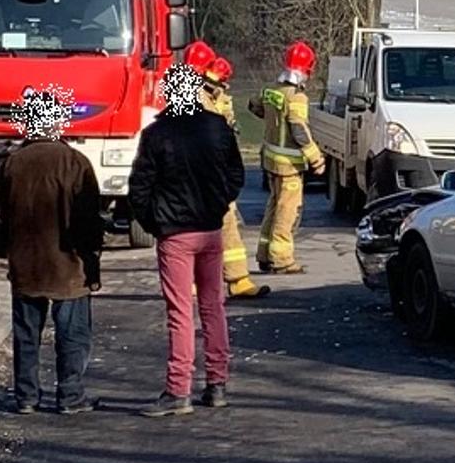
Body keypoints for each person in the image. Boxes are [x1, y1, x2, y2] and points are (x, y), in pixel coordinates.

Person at [130, 66, 246, 417]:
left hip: (175, 235)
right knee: (214, 307)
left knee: (181, 312)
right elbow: (236, 174)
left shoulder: (157, 134)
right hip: (210, 229)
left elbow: (139, 188)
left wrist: (156, 221)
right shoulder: (217, 128)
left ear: (168, 93)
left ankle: (178, 390)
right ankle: (217, 384)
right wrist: (219, 203)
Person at [0, 86, 103, 415]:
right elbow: (89, 219)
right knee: (72, 333)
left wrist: (9, 252)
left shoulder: (12, 163)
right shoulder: (75, 162)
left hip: (26, 264)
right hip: (69, 265)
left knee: (27, 333)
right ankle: (70, 396)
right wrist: (92, 262)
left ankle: (26, 396)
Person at [246, 42, 324, 275]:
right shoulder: (297, 97)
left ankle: (264, 254)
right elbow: (299, 129)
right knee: (286, 212)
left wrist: (273, 118)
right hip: (289, 165)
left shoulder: (271, 90)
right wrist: (316, 158)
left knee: (273, 207)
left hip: (270, 161)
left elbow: (254, 106)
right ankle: (281, 259)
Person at [197, 52, 268, 300]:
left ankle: (237, 279)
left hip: (215, 174)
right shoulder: (194, 98)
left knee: (226, 225)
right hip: (203, 175)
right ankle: (200, 283)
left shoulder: (209, 96)